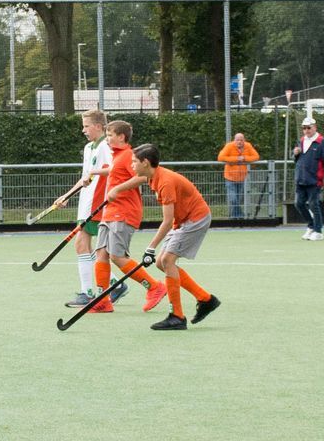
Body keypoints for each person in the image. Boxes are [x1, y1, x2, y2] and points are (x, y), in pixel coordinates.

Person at [110, 144, 220, 331]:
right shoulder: (152, 175)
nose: (132, 165)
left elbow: (167, 221)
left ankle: (177, 316)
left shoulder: (165, 182)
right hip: (183, 219)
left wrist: (150, 248)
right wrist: (117, 189)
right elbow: (138, 180)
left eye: (134, 162)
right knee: (162, 263)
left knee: (167, 261)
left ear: (145, 163)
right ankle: (205, 299)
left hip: (195, 219)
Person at [45, 109, 119, 309]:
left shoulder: (106, 145)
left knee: (81, 245)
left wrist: (94, 172)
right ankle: (114, 283)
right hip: (86, 203)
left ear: (98, 126)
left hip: (97, 202)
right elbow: (85, 177)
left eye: (86, 126)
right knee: (86, 247)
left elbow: (114, 169)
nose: (83, 130)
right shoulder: (88, 148)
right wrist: (67, 196)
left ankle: (88, 293)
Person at [89, 120, 162, 314]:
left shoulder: (130, 155)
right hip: (110, 212)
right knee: (101, 254)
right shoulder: (117, 156)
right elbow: (116, 171)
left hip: (123, 212)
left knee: (117, 256)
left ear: (121, 137)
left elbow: (144, 176)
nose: (107, 138)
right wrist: (95, 172)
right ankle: (103, 300)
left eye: (110, 135)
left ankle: (154, 286)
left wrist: (118, 189)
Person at [292, 116, 324, 241]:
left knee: (314, 205)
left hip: (315, 180)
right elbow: (297, 159)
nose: (306, 130)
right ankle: (311, 226)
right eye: (304, 128)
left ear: (314, 127)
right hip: (301, 179)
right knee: (299, 204)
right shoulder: (301, 140)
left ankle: (318, 231)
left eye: (308, 128)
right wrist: (295, 154)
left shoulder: (322, 142)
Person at [216, 132, 260, 219]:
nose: (239, 142)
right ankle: (240, 215)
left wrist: (244, 158)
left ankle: (233, 217)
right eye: (237, 140)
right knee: (233, 199)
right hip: (230, 177)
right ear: (234, 140)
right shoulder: (229, 146)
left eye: (241, 140)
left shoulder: (248, 146)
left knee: (238, 199)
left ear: (244, 140)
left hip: (242, 177)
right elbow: (220, 157)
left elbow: (256, 156)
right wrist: (236, 159)